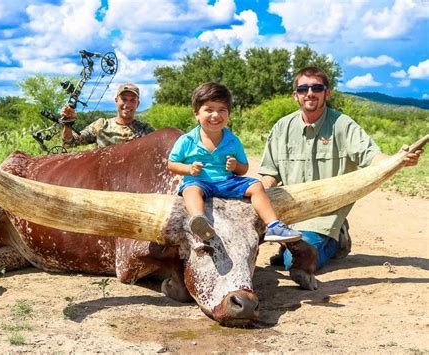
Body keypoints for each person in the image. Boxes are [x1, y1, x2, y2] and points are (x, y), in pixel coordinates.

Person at [258, 66, 423, 288]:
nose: (310, 93)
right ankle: (291, 243)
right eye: (303, 88)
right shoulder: (282, 128)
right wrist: (255, 198)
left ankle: (335, 241)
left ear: (327, 92)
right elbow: (269, 174)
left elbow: (371, 157)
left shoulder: (343, 125)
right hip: (289, 216)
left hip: (325, 216)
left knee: (294, 263)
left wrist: (397, 160)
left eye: (317, 87)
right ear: (295, 94)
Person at [168, 82, 302, 243]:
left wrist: (235, 166)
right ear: (196, 113)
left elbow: (244, 168)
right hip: (199, 181)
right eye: (209, 110)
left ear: (229, 115)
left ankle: (274, 225)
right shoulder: (187, 140)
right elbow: (172, 164)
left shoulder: (233, 141)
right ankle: (199, 221)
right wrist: (189, 169)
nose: (215, 115)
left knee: (256, 186)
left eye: (222, 110)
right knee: (190, 190)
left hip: (226, 181)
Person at [61, 83, 154, 148]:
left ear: (137, 104)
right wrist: (68, 122)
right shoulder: (101, 125)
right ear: (116, 101)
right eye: (124, 99)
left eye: (132, 100)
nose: (127, 104)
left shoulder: (146, 131)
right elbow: (69, 143)